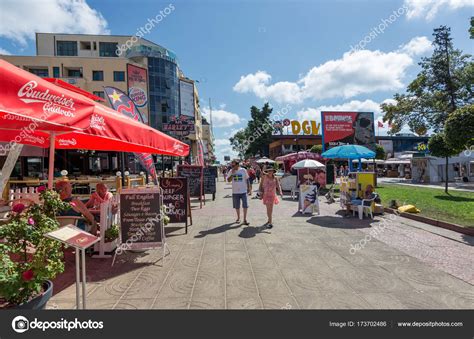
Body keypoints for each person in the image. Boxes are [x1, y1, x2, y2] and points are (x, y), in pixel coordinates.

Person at [227, 160, 251, 225]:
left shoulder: (243, 170)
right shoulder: (231, 171)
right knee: (237, 206)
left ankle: (245, 219)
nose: (233, 167)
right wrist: (232, 174)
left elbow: (247, 179)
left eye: (234, 165)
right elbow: (228, 180)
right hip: (235, 192)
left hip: (243, 191)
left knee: (245, 205)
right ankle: (238, 218)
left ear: (238, 165)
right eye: (232, 165)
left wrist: (249, 188)